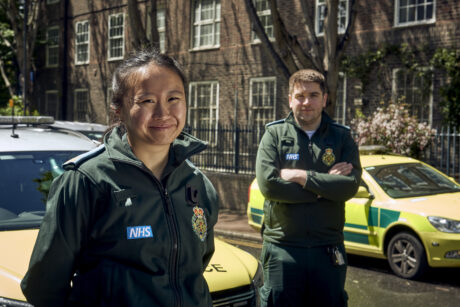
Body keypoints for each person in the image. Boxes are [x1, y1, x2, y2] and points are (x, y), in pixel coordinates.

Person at [21, 49, 219, 307]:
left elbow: (195, 266)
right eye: (147, 101)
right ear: (119, 109)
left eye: (174, 98)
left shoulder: (197, 183)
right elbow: (43, 286)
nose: (163, 112)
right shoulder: (85, 181)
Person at [256, 69, 362, 306]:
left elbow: (349, 187)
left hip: (328, 249)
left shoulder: (341, 138)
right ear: (290, 99)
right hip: (283, 248)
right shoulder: (273, 135)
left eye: (313, 95)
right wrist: (325, 186)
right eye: (300, 95)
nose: (306, 102)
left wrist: (303, 177)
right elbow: (270, 186)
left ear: (324, 99)